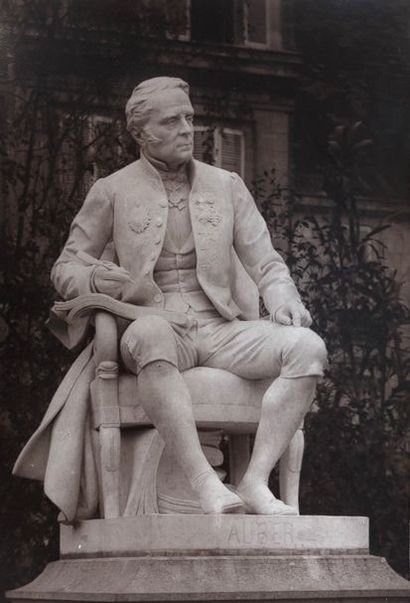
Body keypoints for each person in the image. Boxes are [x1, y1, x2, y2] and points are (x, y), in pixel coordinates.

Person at [14, 76, 327, 518]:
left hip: (221, 329)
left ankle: (255, 481)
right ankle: (204, 484)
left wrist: (282, 299)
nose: (187, 129)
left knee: (308, 348)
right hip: (154, 326)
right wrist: (94, 280)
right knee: (151, 336)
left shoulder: (227, 185)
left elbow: (266, 261)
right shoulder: (113, 190)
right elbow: (66, 266)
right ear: (142, 132)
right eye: (172, 121)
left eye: (189, 118)